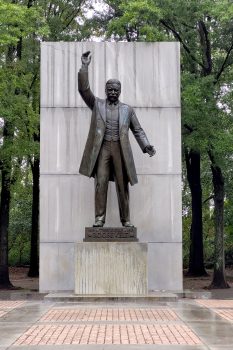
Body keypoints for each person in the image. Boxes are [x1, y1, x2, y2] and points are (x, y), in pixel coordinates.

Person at [78, 51, 156, 227]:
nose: (113, 92)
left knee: (122, 185)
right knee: (101, 183)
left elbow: (138, 130)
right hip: (103, 149)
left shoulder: (127, 110)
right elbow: (84, 90)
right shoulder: (97, 104)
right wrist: (84, 67)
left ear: (120, 91)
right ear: (106, 91)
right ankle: (99, 218)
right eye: (110, 89)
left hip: (120, 150)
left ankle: (126, 220)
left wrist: (146, 146)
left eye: (116, 90)